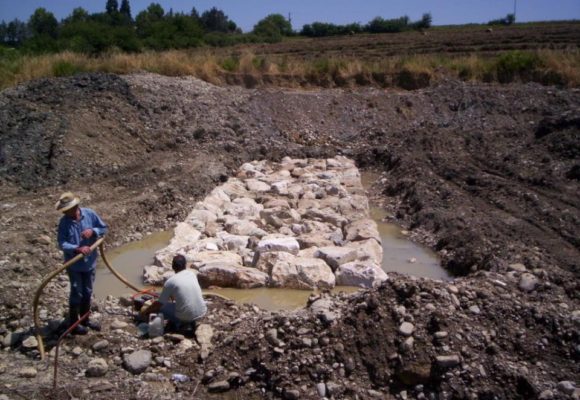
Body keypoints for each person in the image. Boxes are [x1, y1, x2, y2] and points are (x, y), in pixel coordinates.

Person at [56, 192, 108, 335]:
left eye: (69, 210)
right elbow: (61, 243)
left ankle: (85, 319)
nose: (66, 213)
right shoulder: (64, 222)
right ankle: (74, 324)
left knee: (88, 291)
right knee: (76, 292)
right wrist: (76, 249)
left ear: (76, 207)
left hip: (89, 263)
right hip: (74, 265)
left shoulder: (89, 214)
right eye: (65, 211)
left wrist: (93, 231)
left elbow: (104, 228)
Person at [141, 255, 207, 332]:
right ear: (185, 265)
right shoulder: (192, 274)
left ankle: (179, 324)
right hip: (202, 312)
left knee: (159, 308)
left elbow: (159, 304)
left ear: (173, 267)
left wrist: (146, 311)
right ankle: (188, 322)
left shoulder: (170, 282)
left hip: (185, 317)